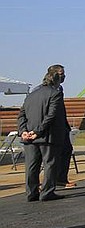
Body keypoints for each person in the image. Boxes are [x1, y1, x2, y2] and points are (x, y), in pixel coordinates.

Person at [17, 65, 69, 202]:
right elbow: (51, 116)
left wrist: (23, 131)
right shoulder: (55, 93)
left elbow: (21, 115)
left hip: (29, 137)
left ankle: (31, 192)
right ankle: (47, 192)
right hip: (48, 136)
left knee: (31, 166)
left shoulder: (32, 94)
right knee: (50, 164)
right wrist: (38, 131)